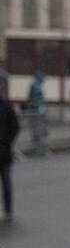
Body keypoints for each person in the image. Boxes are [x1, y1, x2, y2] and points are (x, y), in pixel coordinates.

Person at [0, 86, 20, 221]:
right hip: (5, 151)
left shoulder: (7, 108)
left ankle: (8, 210)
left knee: (6, 183)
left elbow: (15, 126)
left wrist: (8, 140)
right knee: (7, 182)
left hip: (4, 152)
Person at [28, 72, 46, 145]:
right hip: (35, 107)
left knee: (39, 124)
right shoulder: (35, 85)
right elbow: (34, 95)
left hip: (38, 107)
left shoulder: (38, 85)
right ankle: (36, 139)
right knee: (36, 124)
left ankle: (38, 138)